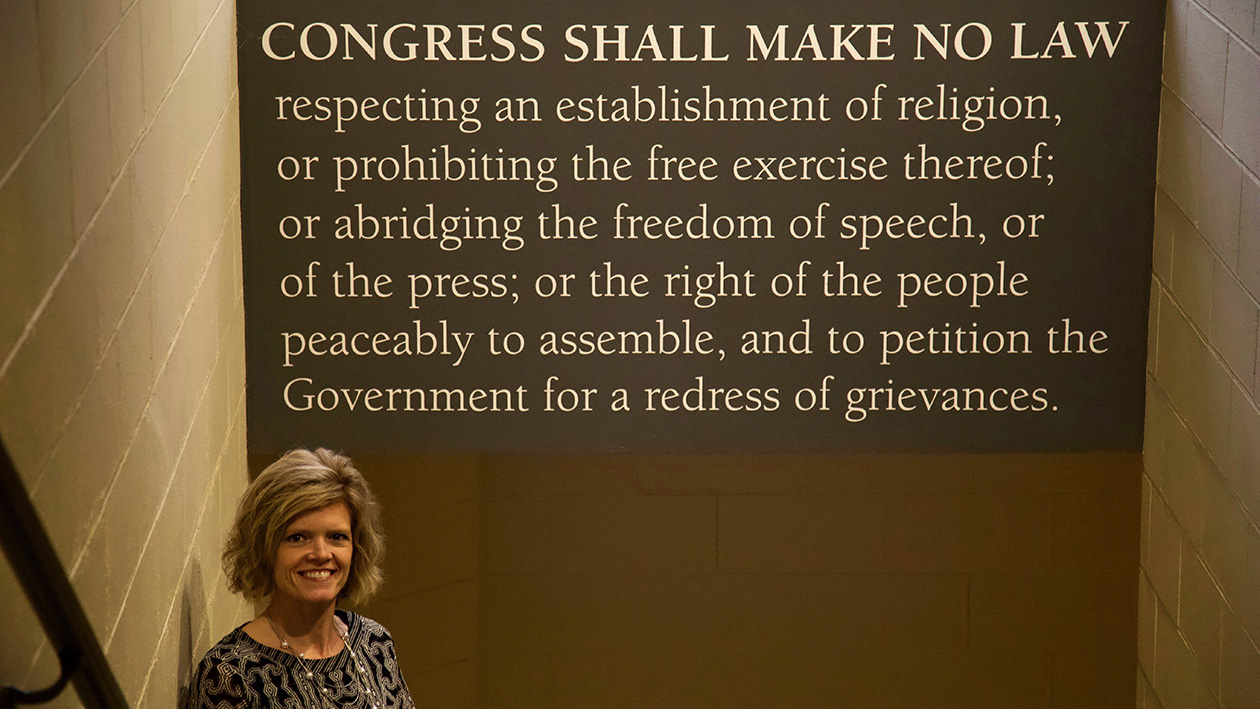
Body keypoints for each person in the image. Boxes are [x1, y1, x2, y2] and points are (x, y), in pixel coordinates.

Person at [185, 448, 414, 708]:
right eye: (297, 538)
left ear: (356, 547)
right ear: (265, 550)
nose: (321, 554)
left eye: (336, 537)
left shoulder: (375, 642)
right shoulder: (230, 675)